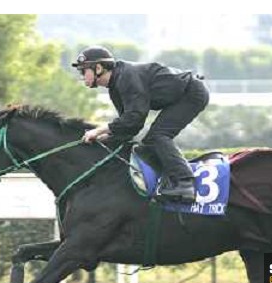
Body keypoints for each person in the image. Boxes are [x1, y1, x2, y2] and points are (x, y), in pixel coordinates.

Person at [72, 46, 209, 203]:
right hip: (183, 95)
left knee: (158, 136)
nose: (82, 75)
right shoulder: (115, 87)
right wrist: (104, 138)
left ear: (98, 68)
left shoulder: (126, 77)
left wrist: (98, 131)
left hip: (192, 93)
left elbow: (134, 117)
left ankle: (185, 184)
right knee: (149, 141)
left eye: (84, 71)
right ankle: (165, 180)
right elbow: (129, 127)